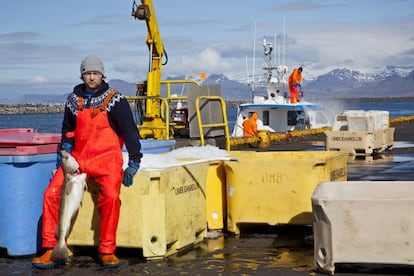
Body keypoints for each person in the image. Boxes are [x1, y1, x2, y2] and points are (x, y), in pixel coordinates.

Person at [32, 55, 143, 269]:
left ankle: (107, 250)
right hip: (78, 160)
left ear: (102, 74)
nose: (91, 77)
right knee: (51, 195)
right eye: (88, 73)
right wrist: (64, 149)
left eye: (95, 73)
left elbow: (130, 132)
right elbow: (67, 129)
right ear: (82, 75)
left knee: (111, 197)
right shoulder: (73, 100)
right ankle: (51, 248)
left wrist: (134, 161)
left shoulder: (115, 100)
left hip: (107, 160)